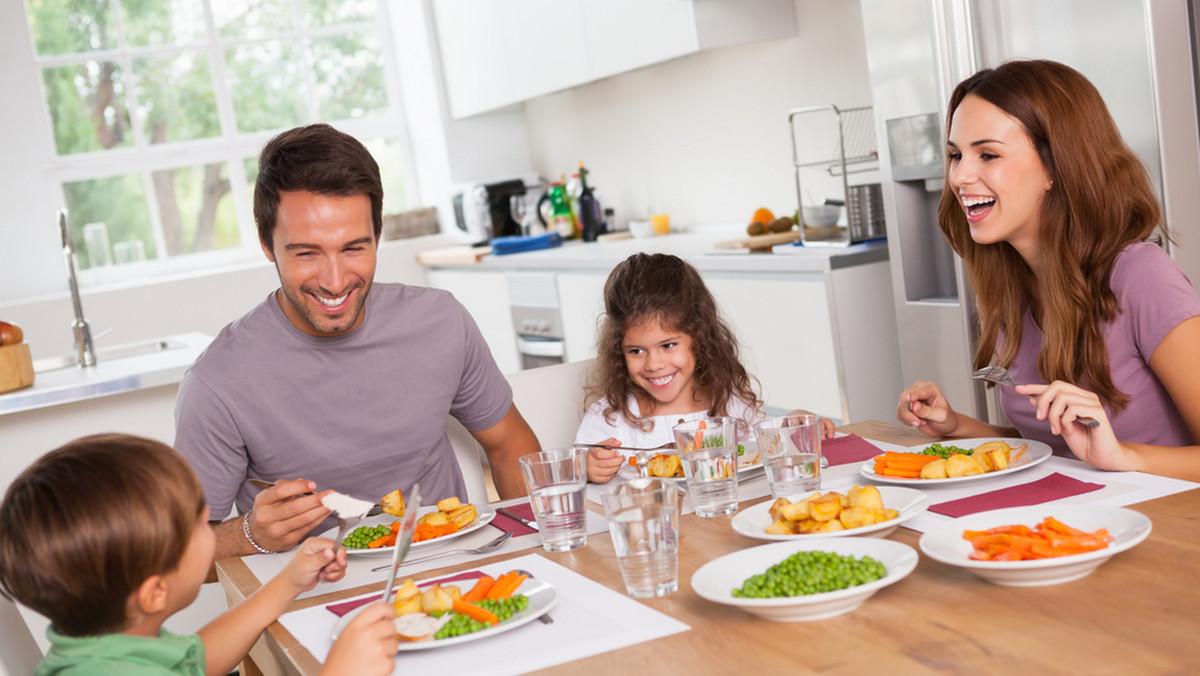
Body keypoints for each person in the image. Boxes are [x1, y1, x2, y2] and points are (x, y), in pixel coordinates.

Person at [174, 123, 540, 561]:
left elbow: (509, 445)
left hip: (450, 569)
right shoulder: (218, 382)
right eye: (306, 252)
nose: (334, 281)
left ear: (378, 235)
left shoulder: (440, 322)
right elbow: (183, 558)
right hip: (314, 599)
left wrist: (538, 548)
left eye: (353, 248)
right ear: (267, 244)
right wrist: (252, 535)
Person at [897, 59, 1200, 481]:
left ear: (1056, 166)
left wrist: (1125, 457)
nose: (960, 176)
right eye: (955, 155)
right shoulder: (1014, 281)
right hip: (1073, 527)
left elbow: (1108, 455)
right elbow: (1062, 448)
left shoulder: (1141, 278)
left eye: (988, 154)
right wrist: (958, 428)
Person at [0, 434, 398, 675]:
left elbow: (199, 660)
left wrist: (289, 580)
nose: (209, 520)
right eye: (195, 520)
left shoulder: (108, 648)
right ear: (155, 592)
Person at [576, 253, 835, 483]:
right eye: (636, 351)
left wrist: (790, 427)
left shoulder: (730, 400)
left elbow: (762, 447)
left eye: (667, 345)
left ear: (698, 338)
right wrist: (585, 468)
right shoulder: (610, 418)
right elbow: (570, 476)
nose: (654, 364)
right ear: (618, 351)